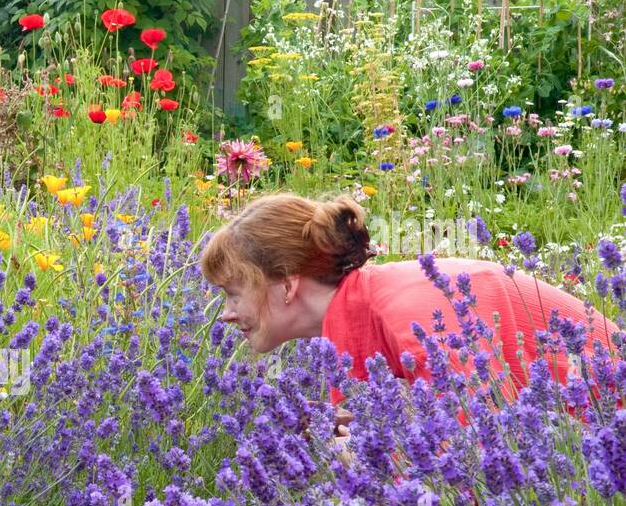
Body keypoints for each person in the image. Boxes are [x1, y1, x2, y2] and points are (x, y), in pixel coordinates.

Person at [199, 192, 621, 448]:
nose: (227, 313)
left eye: (233, 292)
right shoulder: (356, 320)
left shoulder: (410, 315)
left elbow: (484, 448)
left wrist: (373, 451)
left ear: (287, 286)